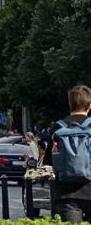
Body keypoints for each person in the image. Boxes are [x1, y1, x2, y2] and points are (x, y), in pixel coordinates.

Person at [52, 84, 91, 222]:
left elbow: (49, 161)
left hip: (66, 193)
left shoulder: (58, 127)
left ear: (70, 103)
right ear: (89, 105)